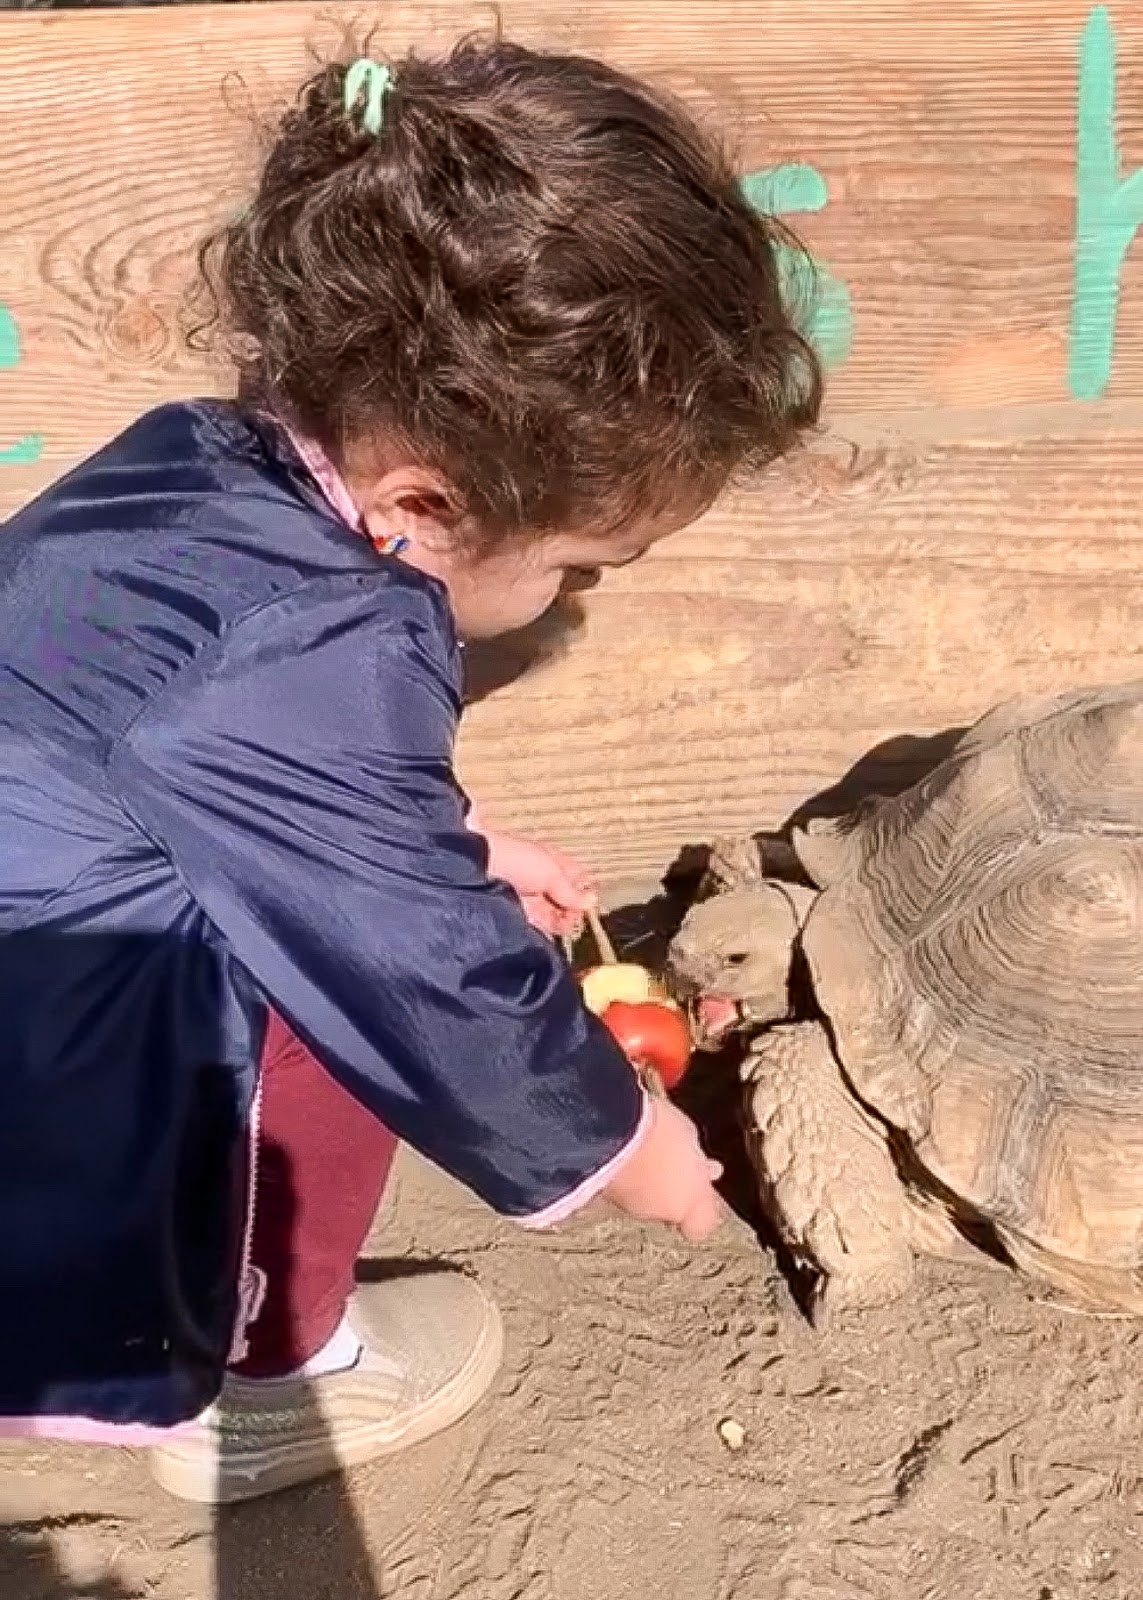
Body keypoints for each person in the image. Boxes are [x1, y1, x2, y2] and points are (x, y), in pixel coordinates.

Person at [0, 39, 821, 1504]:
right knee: (342, 1025)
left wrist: (465, 834)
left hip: (40, 891)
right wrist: (616, 1136)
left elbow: (233, 773)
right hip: (54, 1009)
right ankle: (270, 1373)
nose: (579, 600)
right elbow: (410, 958)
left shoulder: (206, 456)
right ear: (426, 503)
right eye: (579, 562)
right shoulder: (330, 635)